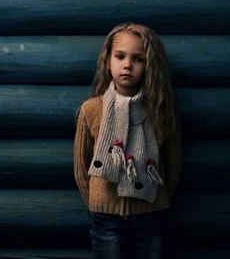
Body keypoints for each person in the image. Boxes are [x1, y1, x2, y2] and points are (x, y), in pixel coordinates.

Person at [74, 23, 182, 259]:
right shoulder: (92, 110)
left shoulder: (160, 112)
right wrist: (98, 201)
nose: (127, 65)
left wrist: (154, 200)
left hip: (152, 216)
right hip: (105, 219)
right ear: (108, 60)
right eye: (120, 56)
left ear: (149, 65)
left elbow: (172, 167)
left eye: (138, 59)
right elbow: (82, 169)